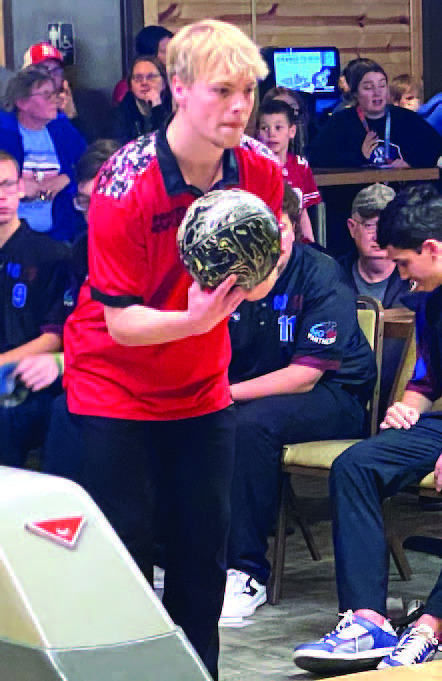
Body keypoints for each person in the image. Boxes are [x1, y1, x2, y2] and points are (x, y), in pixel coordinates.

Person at [44, 19, 284, 680]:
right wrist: (196, 317)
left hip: (201, 387)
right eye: (222, 91)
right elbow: (121, 323)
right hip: (114, 387)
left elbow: (260, 273)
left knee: (201, 564)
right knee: (124, 562)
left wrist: (264, 272)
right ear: (179, 88)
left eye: (247, 92)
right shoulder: (125, 184)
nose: (240, 107)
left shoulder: (259, 170)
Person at [293, 188, 442, 673]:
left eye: (404, 263)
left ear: (432, 249)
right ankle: (368, 621)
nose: (402, 275)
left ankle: (431, 626)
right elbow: (429, 378)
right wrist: (407, 408)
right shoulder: (429, 299)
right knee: (356, 465)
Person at [220, 182, 377, 621]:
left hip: (334, 395)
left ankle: (246, 572)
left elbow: (305, 377)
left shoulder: (321, 274)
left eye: (281, 227)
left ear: (293, 228)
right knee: (185, 418)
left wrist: (222, 394)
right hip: (255, 391)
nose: (272, 239)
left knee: (247, 424)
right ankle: (177, 554)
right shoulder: (232, 273)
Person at [0, 151, 70, 467]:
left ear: (20, 188)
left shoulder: (51, 255)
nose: (1, 196)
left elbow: (53, 337)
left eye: (7, 185)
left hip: (27, 376)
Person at [0, 66, 86, 242]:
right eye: (46, 95)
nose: (55, 100)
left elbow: (90, 167)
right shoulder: (4, 133)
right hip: (10, 237)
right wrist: (15, 187)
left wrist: (67, 179)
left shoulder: (62, 129)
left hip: (60, 234)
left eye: (55, 93)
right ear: (22, 102)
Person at [309, 59, 442, 168]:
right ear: (355, 93)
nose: (377, 92)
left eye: (382, 85)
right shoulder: (341, 122)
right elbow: (316, 158)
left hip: (403, 190)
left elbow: (435, 150)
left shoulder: (406, 119)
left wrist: (411, 165)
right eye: (368, 87)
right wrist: (359, 156)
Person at [256, 99, 320, 242]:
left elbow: (303, 212)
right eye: (265, 128)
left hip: (295, 241)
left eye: (278, 128)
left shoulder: (301, 165)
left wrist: (310, 244)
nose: (271, 134)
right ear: (257, 133)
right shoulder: (253, 167)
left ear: (292, 131)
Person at [339, 183, 411, 308]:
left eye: (386, 226)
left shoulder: (416, 279)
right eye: (370, 226)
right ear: (352, 228)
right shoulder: (334, 278)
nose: (377, 237)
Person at [23, 42, 103, 143]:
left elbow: (91, 147)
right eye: (43, 70)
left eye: (56, 70)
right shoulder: (17, 106)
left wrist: (71, 117)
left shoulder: (83, 103)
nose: (51, 76)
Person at [108, 56, 171, 145]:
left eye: (151, 77)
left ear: (164, 82)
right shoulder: (119, 114)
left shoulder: (175, 110)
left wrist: (157, 109)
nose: (144, 83)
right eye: (138, 78)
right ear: (130, 85)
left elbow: (168, 143)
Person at [112, 25, 173, 105]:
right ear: (149, 54)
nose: (172, 56)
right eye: (165, 51)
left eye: (173, 51)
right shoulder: (126, 89)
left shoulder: (175, 83)